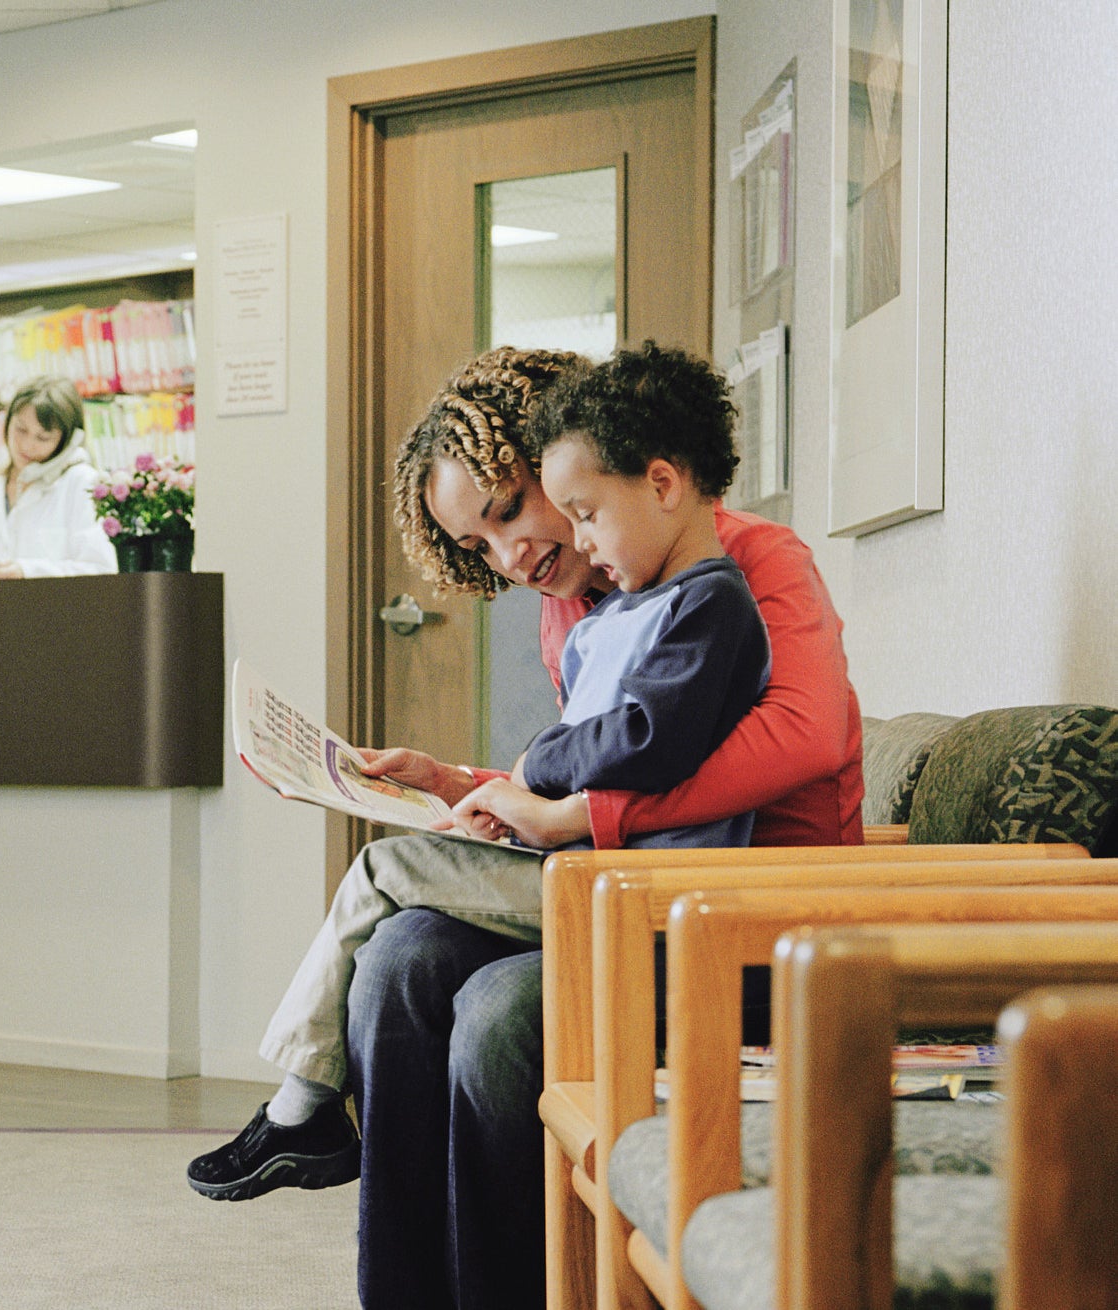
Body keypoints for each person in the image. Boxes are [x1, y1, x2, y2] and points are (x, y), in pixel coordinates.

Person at [232, 343, 861, 1309]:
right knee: (399, 958)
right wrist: (455, 783)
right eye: (478, 547)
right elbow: (592, 757)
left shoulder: (745, 567)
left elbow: (802, 736)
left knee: (497, 1013)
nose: (513, 556)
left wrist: (578, 811)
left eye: (511, 514)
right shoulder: (579, 609)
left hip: (750, 912)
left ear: (565, 457)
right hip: (613, 885)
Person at [0, 376, 116, 581]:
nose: (27, 444)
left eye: (43, 438)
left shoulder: (82, 485)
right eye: (21, 429)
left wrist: (28, 573)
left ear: (67, 441)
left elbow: (102, 572)